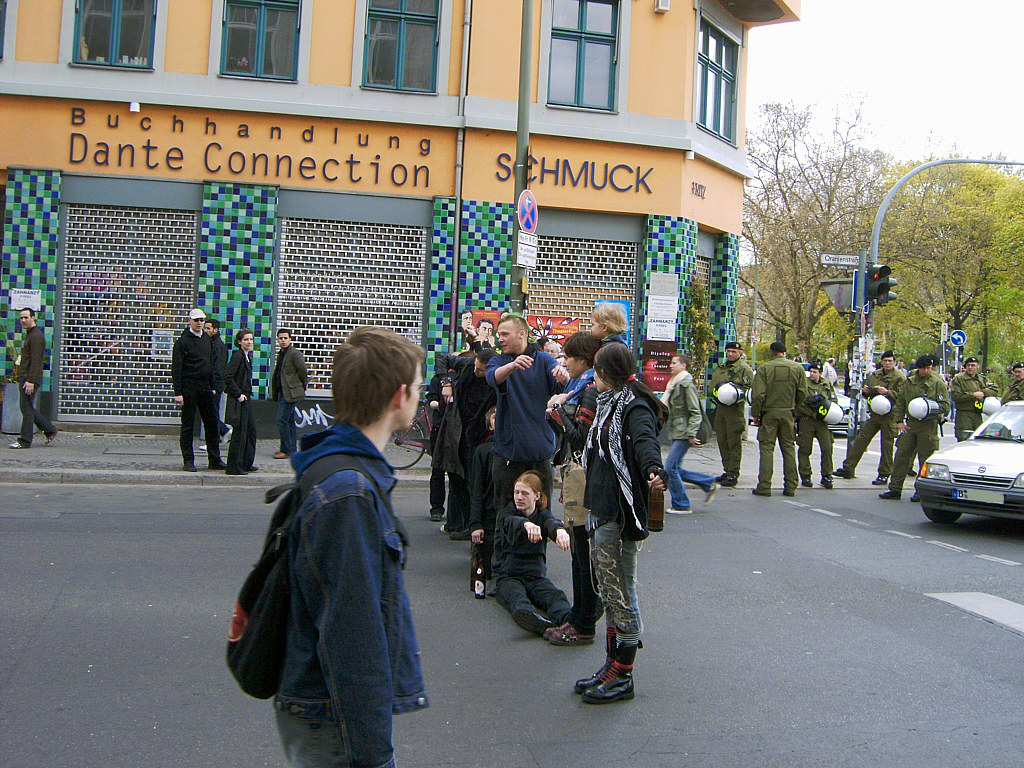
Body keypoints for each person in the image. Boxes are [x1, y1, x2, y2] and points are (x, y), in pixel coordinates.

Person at [276, 327, 428, 768]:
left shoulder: (340, 469)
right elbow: (352, 635)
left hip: (324, 707)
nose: (421, 394)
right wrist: (374, 755)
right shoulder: (350, 493)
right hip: (331, 713)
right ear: (400, 397)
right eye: (419, 386)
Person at [574, 343, 666, 705]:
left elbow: (645, 443)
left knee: (620, 592)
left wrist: (653, 469)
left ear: (604, 372)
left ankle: (622, 674)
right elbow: (593, 449)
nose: (592, 377)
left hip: (618, 510)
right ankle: (612, 664)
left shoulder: (633, 406)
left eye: (595, 370)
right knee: (609, 590)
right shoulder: (607, 404)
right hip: (600, 506)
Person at [545, 331, 602, 646]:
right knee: (580, 553)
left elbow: (579, 438)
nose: (564, 362)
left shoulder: (589, 392)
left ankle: (584, 621)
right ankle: (581, 614)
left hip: (583, 475)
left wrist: (556, 415)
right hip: (576, 473)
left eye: (568, 356)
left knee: (582, 552)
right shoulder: (580, 388)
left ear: (583, 360)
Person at [486, 314, 569, 508]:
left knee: (541, 511)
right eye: (499, 334)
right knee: (506, 511)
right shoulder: (498, 361)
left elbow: (563, 387)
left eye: (505, 334)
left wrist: (564, 378)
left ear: (521, 334)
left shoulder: (544, 360)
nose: (501, 338)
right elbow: (492, 377)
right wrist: (512, 366)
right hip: (508, 452)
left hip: (540, 452)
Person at [492, 471, 572, 635]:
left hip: (535, 576)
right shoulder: (507, 513)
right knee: (517, 598)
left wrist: (560, 532)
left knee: (555, 596)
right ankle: (536, 622)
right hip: (509, 576)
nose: (519, 497)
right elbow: (510, 522)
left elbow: (551, 523)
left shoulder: (543, 515)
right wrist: (526, 525)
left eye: (524, 493)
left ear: (536, 496)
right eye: (516, 492)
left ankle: (571, 620)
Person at [434, 347, 497, 539]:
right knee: (454, 474)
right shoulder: (468, 364)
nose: (476, 372)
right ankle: (468, 523)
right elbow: (442, 358)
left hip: (479, 433)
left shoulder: (496, 378)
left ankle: (475, 526)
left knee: (474, 480)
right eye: (476, 367)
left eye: (481, 370)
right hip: (458, 428)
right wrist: (445, 382)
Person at [880, 354, 949, 502]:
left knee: (925, 458)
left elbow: (945, 406)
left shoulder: (937, 384)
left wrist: (930, 408)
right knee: (902, 456)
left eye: (929, 368)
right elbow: (901, 402)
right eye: (924, 368)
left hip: (928, 425)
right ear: (918, 368)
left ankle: (921, 490)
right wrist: (898, 421)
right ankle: (895, 488)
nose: (927, 371)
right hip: (910, 424)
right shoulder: (909, 382)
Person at [835, 350, 906, 485]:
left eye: (890, 361)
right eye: (885, 361)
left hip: (890, 415)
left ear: (894, 362)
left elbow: (902, 397)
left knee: (886, 445)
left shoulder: (899, 377)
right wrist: (867, 391)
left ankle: (884, 473)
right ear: (881, 362)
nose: (887, 363)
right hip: (875, 413)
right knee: (861, 439)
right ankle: (848, 468)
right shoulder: (876, 375)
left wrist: (888, 392)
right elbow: (868, 390)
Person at [749, 341, 807, 497]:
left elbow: (758, 395)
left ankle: (764, 486)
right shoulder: (798, 368)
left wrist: (756, 414)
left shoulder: (764, 368)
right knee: (788, 449)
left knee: (767, 449)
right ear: (785, 352)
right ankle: (790, 486)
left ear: (772, 352)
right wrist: (796, 410)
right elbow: (803, 393)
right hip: (788, 412)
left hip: (769, 414)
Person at [663, 354, 718, 513]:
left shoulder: (685, 384)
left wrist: (692, 433)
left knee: (669, 468)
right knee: (675, 468)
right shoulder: (674, 384)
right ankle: (709, 483)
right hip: (677, 430)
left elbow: (695, 412)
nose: (671, 365)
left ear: (683, 366)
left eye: (674, 363)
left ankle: (681, 504)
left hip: (684, 431)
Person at [171, 308, 225, 472]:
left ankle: (214, 459)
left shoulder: (206, 339)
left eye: (202, 320)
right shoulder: (182, 342)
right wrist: (178, 393)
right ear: (190, 321)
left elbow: (210, 363)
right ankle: (188, 460)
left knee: (212, 423)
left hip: (205, 387)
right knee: (188, 425)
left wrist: (214, 386)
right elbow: (177, 368)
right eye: (197, 320)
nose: (200, 323)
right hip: (188, 387)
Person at [8, 308, 58, 449]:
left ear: (33, 318)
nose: (23, 320)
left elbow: (36, 361)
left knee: (26, 409)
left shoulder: (36, 336)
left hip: (30, 378)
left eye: (26, 317)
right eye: (21, 318)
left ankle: (25, 440)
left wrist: (30, 380)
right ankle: (50, 430)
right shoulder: (31, 334)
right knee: (28, 407)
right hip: (27, 376)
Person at [709, 341, 754, 487]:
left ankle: (733, 472)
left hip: (735, 410)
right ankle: (727, 469)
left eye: (733, 352)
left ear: (740, 352)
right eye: (728, 351)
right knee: (722, 440)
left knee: (733, 442)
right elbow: (714, 387)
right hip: (721, 409)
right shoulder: (722, 368)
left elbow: (749, 391)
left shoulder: (744, 369)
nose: (730, 354)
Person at [468, 406, 498, 584]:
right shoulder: (483, 451)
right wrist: (475, 523)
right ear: (490, 426)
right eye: (495, 418)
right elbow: (476, 490)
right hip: (487, 517)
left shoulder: (516, 449)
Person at [797, 362, 836, 489]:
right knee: (805, 448)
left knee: (827, 448)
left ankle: (827, 475)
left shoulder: (826, 384)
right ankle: (805, 475)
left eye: (815, 372)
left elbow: (833, 400)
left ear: (820, 373)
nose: (812, 374)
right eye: (811, 371)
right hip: (807, 419)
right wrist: (810, 412)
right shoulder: (804, 384)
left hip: (822, 421)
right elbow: (798, 401)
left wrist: (828, 412)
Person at [224, 329, 258, 476]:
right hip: (240, 399)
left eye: (251, 339)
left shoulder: (247, 356)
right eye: (246, 340)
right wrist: (238, 394)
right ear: (239, 342)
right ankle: (234, 466)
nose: (249, 342)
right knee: (240, 432)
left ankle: (246, 463)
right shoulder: (237, 356)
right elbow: (228, 377)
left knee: (250, 431)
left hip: (246, 397)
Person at [271, 329, 308, 459]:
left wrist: (301, 385)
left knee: (281, 420)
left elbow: (303, 371)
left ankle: (285, 449)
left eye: (285, 338)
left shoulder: (294, 354)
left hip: (291, 393)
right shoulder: (280, 354)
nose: (283, 340)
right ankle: (292, 449)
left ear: (290, 339)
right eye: (280, 338)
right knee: (289, 421)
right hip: (283, 392)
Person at [950, 357, 1000, 441]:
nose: (970, 367)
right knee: (964, 440)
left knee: (978, 439)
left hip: (977, 413)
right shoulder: (959, 379)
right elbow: (955, 396)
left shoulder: (981, 379)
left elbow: (994, 389)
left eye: (973, 365)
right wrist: (973, 395)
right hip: (964, 414)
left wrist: (982, 392)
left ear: (977, 367)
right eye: (968, 365)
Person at [202, 318, 232, 448]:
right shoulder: (211, 343)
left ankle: (223, 432)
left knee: (211, 414)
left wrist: (214, 386)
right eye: (205, 328)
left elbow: (218, 368)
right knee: (210, 413)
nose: (206, 330)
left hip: (214, 386)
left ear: (216, 330)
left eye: (208, 328)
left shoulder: (218, 345)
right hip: (210, 385)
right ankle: (219, 436)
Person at [425, 370, 448, 522]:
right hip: (440, 426)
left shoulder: (462, 378)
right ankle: (436, 507)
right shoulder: (438, 380)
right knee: (438, 468)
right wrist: (438, 404)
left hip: (455, 426)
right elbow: (431, 398)